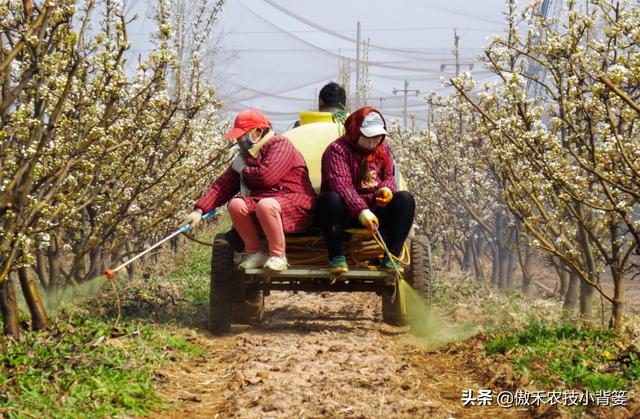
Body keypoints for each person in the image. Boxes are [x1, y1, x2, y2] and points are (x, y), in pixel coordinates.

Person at [184, 109, 316, 272]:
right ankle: (255, 252)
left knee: (266, 205)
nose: (239, 140)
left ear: (258, 132)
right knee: (236, 204)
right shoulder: (247, 156)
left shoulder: (280, 145)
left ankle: (278, 255)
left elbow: (266, 177)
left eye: (242, 135)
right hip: (265, 205)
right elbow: (222, 186)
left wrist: (244, 170)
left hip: (294, 204)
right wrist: (199, 210)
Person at [316, 107, 415, 274]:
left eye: (376, 137)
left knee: (405, 199)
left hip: (375, 211)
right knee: (330, 199)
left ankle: (392, 256)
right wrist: (361, 210)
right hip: (344, 213)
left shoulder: (383, 149)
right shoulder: (337, 151)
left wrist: (386, 190)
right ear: (355, 132)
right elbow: (341, 184)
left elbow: (389, 175)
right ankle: (337, 257)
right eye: (367, 137)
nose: (372, 143)